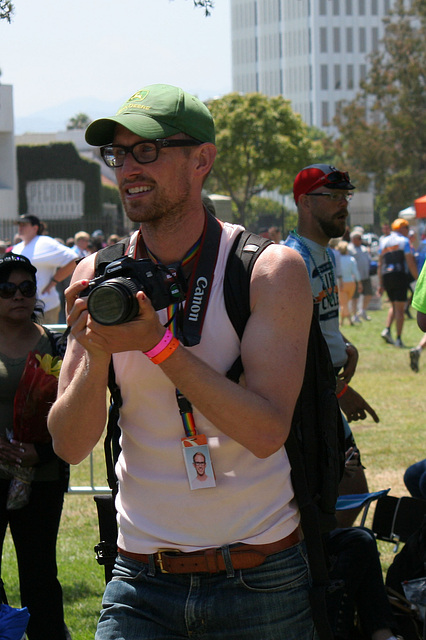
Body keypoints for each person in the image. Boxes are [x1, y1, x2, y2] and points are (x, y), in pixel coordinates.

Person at [48, 83, 316, 639]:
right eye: (118, 154)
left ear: (202, 160)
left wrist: (158, 346)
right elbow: (70, 445)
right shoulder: (95, 276)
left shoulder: (269, 272)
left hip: (260, 577)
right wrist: (97, 349)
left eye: (147, 150)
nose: (128, 168)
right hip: (140, 579)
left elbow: (266, 431)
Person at [285, 164, 379, 527]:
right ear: (305, 202)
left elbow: (317, 324)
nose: (344, 205)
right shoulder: (294, 260)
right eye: (334, 197)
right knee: (342, 499)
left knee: (351, 492)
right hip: (311, 400)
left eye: (346, 197)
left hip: (325, 392)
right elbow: (292, 345)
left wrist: (344, 345)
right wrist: (338, 391)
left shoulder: (324, 253)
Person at [0, 253, 70, 640]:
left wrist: (39, 453)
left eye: (27, 287)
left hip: (41, 476)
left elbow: (72, 413)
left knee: (40, 573)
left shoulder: (56, 346)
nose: (18, 296)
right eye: (7, 288)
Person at [12, 215, 77, 324]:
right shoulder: (17, 248)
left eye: (24, 224)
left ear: (35, 228)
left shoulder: (45, 242)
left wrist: (54, 282)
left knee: (44, 340)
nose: (20, 227)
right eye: (19, 225)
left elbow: (74, 259)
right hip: (22, 307)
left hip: (45, 307)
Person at [379, 218, 418, 348]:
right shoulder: (404, 241)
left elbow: (380, 264)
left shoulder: (383, 241)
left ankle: (387, 329)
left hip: (386, 276)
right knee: (400, 309)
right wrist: (417, 278)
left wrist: (380, 283)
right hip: (400, 276)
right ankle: (399, 339)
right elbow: (410, 262)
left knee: (394, 305)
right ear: (403, 229)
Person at [348, 230, 374, 322]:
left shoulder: (364, 248)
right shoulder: (349, 249)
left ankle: (362, 311)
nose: (360, 240)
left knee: (369, 294)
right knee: (355, 297)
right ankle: (354, 315)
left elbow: (369, 260)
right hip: (355, 277)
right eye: (359, 238)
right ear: (354, 239)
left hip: (365, 276)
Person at [336, 240, 361, 326]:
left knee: (344, 304)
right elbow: (356, 272)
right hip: (351, 283)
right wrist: (359, 283)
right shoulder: (351, 259)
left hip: (341, 283)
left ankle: (347, 321)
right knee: (345, 303)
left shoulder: (337, 260)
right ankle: (345, 321)